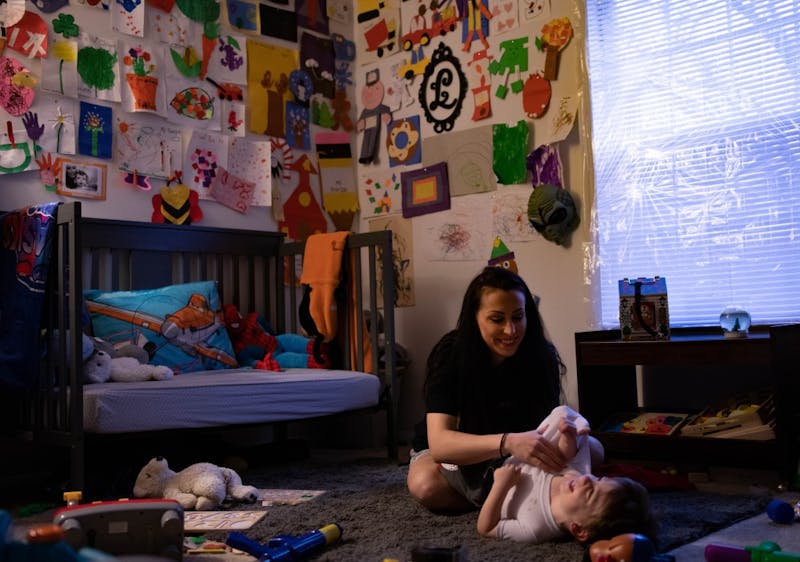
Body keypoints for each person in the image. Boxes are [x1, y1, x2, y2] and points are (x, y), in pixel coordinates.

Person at [407, 265, 579, 512]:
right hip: (459, 454)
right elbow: (441, 445)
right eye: (497, 319)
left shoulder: (540, 355)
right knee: (426, 486)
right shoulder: (451, 354)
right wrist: (507, 442)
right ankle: (504, 500)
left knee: (593, 450)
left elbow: (543, 430)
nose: (511, 330)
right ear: (474, 317)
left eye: (518, 317)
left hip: (514, 451)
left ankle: (498, 497)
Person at [477, 405, 655, 544]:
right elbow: (564, 459)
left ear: (579, 530)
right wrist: (567, 437)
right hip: (519, 444)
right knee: (583, 439)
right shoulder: (575, 478)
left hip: (487, 475)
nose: (587, 478)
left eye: (591, 492)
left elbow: (486, 527)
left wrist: (500, 485)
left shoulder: (535, 527)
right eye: (599, 479)